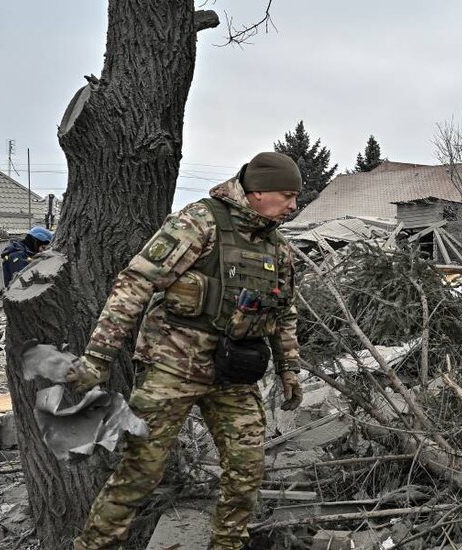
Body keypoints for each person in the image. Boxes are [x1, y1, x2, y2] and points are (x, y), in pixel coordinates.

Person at [67, 152, 305, 550]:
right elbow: (136, 282)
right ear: (257, 191)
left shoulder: (277, 249)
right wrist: (98, 356)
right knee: (140, 470)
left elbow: (285, 312)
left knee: (247, 468)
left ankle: (227, 543)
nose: (294, 205)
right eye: (287, 195)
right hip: (172, 367)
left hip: (234, 374)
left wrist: (289, 369)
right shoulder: (200, 222)